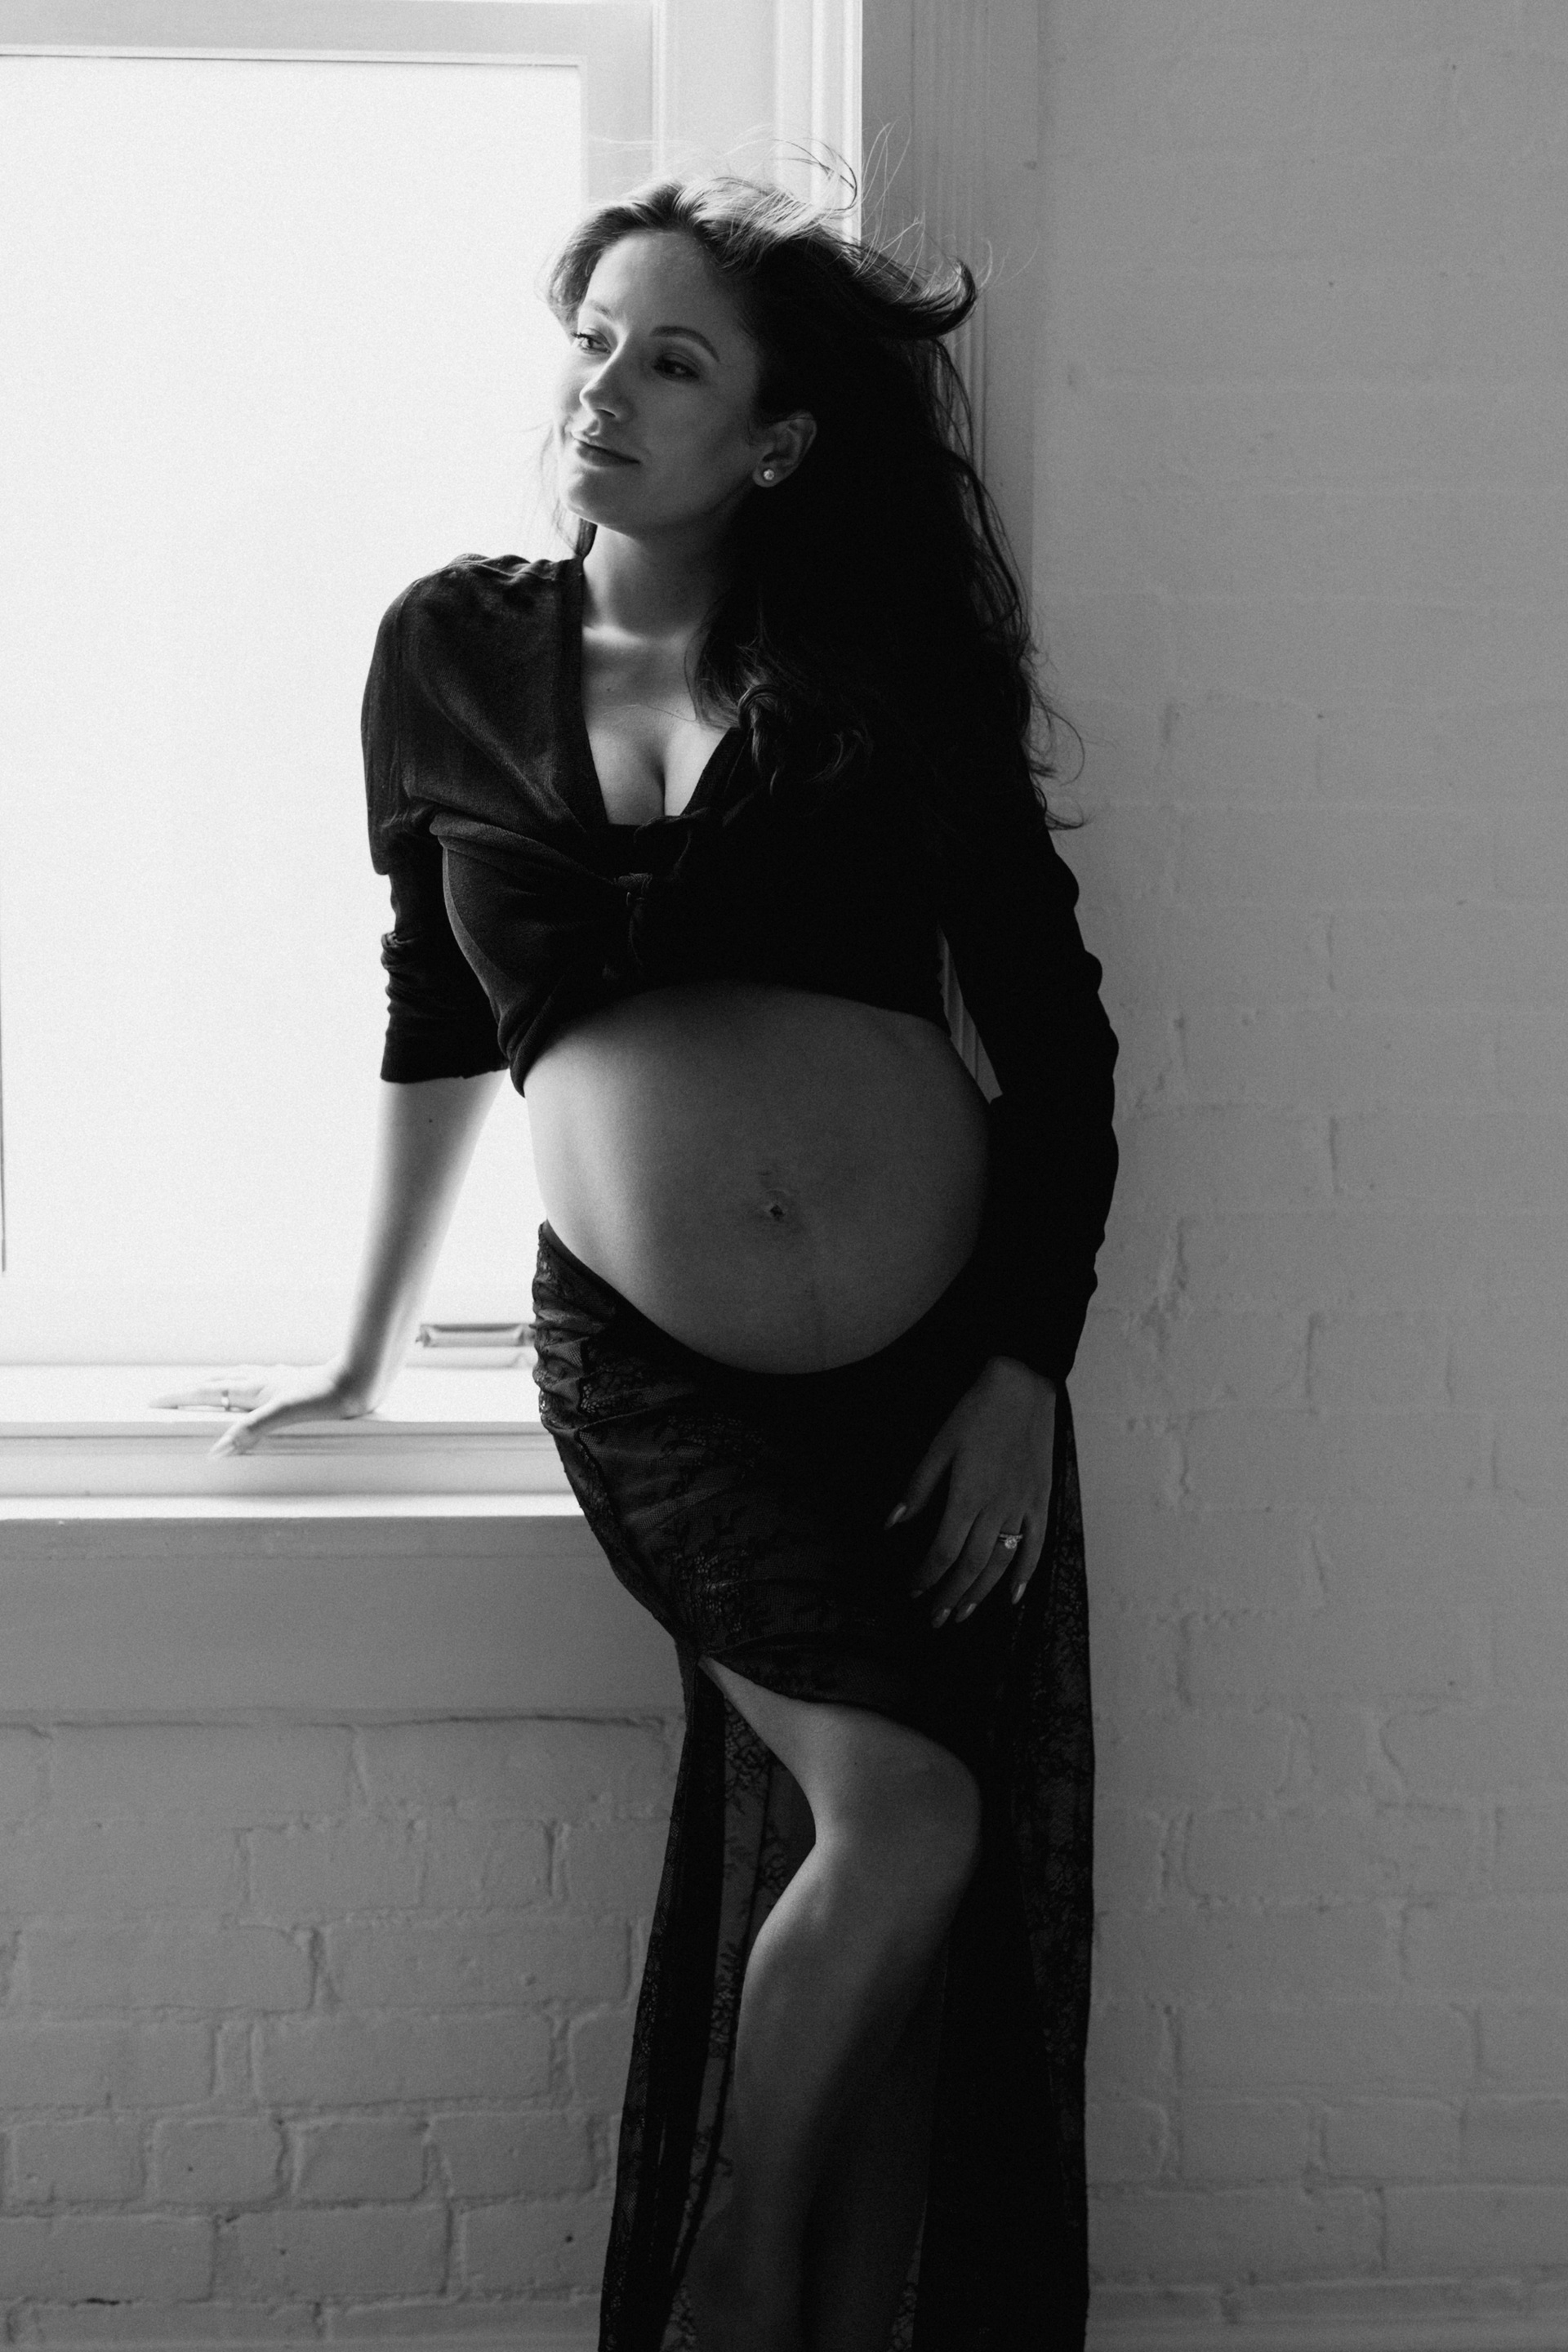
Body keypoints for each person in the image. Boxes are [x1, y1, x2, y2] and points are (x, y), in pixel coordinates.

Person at [215, 173, 1118, 2352]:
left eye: (673, 359)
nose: (604, 390)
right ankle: (726, 2286)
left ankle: (808, 2319)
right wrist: (360, 1353)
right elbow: (435, 1017)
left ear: (778, 440)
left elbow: (1058, 1035)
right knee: (900, 1813)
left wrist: (1027, 1364)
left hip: (935, 1379)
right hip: (658, 1374)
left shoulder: (882, 679)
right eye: (595, 344)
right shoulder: (450, 651)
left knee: (927, 1893)